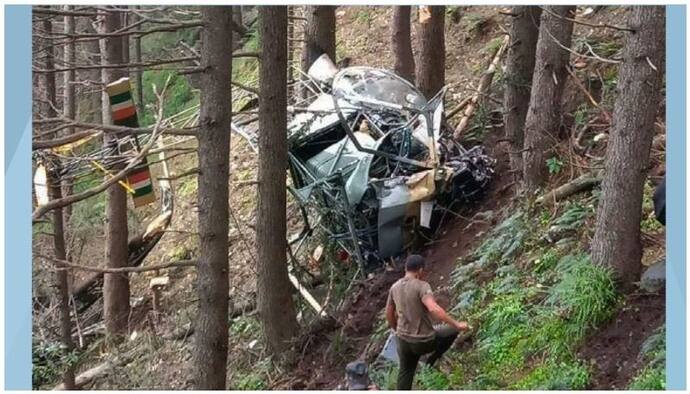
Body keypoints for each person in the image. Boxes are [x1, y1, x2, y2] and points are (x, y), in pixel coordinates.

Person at [386, 254, 470, 390]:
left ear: (406, 269)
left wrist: (396, 329)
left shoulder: (394, 287)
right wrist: (457, 324)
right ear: (419, 270)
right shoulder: (422, 286)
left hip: (403, 341)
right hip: (423, 342)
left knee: (406, 371)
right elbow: (433, 308)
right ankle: (431, 360)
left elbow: (389, 313)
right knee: (452, 331)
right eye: (423, 270)